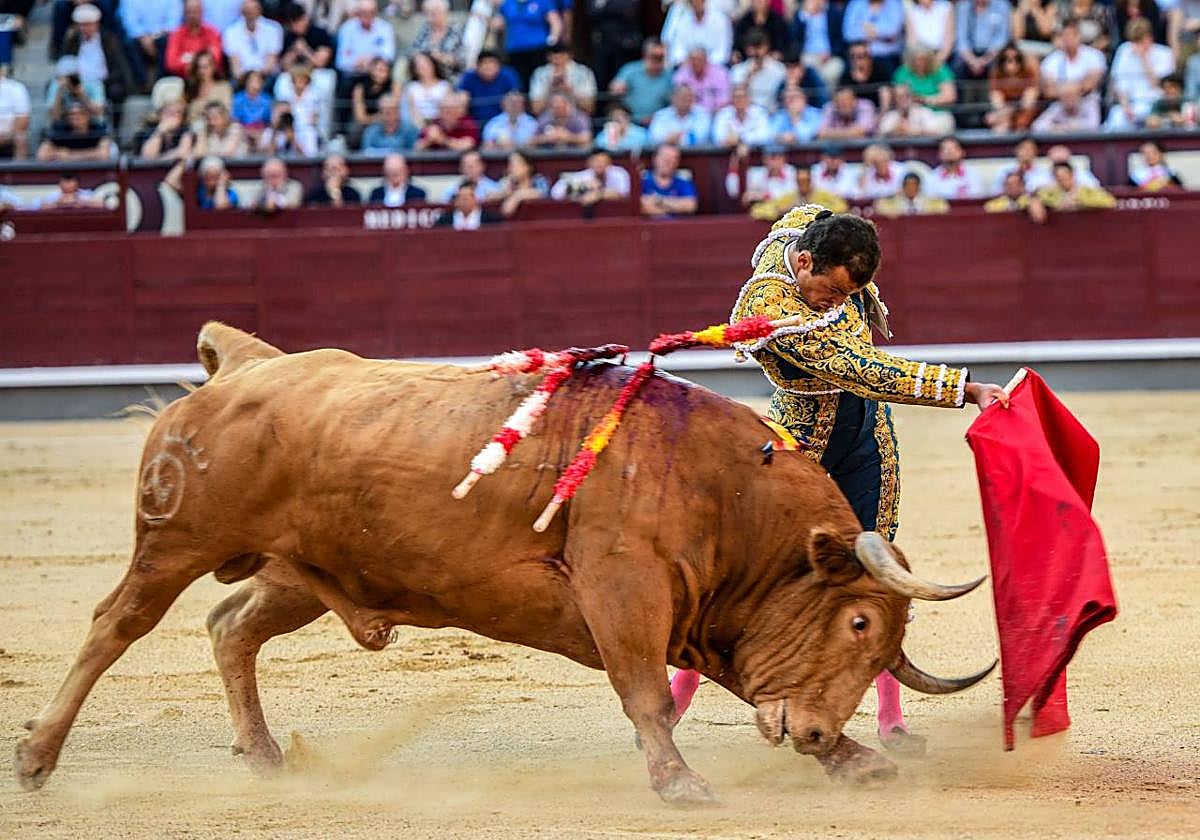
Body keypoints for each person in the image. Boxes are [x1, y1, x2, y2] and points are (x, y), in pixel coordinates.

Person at [669, 207, 1010, 755]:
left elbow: (812, 213)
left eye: (847, 294)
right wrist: (963, 388)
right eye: (828, 292)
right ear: (802, 263)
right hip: (801, 447)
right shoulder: (769, 306)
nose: (836, 303)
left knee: (875, 574)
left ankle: (891, 718)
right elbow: (860, 368)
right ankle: (676, 700)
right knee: (746, 575)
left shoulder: (812, 237)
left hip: (867, 437)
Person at [1104, 18, 1175, 131]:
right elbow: (1120, 83)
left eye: (1140, 40)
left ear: (1150, 37)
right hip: (1129, 104)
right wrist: (1125, 105)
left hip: (1154, 105)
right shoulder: (1124, 50)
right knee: (1116, 118)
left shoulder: (1165, 53)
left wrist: (1144, 58)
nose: (1136, 45)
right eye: (1134, 41)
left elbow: (1159, 85)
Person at [493, 0, 562, 87]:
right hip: (515, 49)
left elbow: (555, 22)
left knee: (538, 78)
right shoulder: (508, 3)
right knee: (519, 80)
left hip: (538, 48)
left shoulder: (543, 2)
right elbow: (498, 24)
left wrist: (552, 39)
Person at [609, 37, 673, 125]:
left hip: (659, 124)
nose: (658, 61)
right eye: (654, 57)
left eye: (661, 57)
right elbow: (614, 89)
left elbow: (673, 104)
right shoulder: (630, 70)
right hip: (631, 123)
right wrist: (617, 88)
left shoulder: (669, 76)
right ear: (645, 55)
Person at [749, 165, 849, 220]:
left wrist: (818, 210)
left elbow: (842, 207)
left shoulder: (823, 195)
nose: (803, 184)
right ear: (795, 181)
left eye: (806, 181)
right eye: (800, 181)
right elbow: (756, 211)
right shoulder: (788, 197)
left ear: (811, 180)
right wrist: (778, 211)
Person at [792, 0, 847, 92]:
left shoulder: (834, 12)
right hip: (808, 55)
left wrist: (831, 53)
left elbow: (840, 39)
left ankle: (827, 101)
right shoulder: (802, 14)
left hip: (830, 56)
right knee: (808, 69)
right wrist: (806, 14)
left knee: (835, 69)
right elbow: (794, 37)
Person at [985, 42, 1039, 133]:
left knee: (1021, 123)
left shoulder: (1028, 72)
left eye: (1016, 59)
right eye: (1006, 59)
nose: (1011, 62)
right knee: (999, 127)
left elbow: (1028, 102)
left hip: (1023, 112)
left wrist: (1009, 111)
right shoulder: (996, 74)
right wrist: (1004, 113)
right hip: (1004, 113)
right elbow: (997, 102)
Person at [222, 0, 283, 80]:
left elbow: (271, 61)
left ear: (260, 10)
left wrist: (257, 78)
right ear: (242, 12)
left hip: (266, 76)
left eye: (253, 10)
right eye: (247, 11)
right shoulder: (230, 31)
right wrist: (248, 80)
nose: (250, 14)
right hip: (242, 78)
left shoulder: (273, 29)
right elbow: (235, 66)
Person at [530, 42, 597, 115]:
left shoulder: (583, 72)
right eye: (554, 58)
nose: (557, 62)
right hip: (549, 116)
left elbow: (589, 108)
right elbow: (535, 109)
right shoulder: (540, 73)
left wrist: (569, 90)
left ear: (569, 56)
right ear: (548, 58)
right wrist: (550, 90)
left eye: (561, 57)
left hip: (576, 115)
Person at [729, 28, 788, 111]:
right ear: (747, 49)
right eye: (752, 48)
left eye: (759, 47)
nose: (755, 52)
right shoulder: (737, 70)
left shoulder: (779, 69)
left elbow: (783, 96)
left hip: (772, 113)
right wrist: (749, 76)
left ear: (767, 46)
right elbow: (736, 97)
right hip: (747, 113)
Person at [457, 49, 521, 125]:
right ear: (477, 66)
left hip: (503, 123)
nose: (489, 67)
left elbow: (516, 97)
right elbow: (461, 98)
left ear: (499, 66)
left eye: (492, 63)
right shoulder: (469, 77)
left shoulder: (508, 75)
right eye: (485, 63)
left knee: (514, 99)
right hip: (474, 122)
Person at [662, 0, 733, 67]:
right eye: (692, 1)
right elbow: (678, 48)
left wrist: (705, 64)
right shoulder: (683, 21)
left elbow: (722, 50)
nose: (695, 3)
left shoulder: (721, 20)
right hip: (688, 67)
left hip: (715, 67)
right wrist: (687, 62)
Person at [843, 0, 905, 76]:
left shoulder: (894, 4)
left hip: (887, 56)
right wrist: (880, 34)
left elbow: (893, 31)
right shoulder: (856, 4)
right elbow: (849, 33)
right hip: (860, 55)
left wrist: (867, 29)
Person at [335, 0, 396, 77]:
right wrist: (357, 62)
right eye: (364, 12)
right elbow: (341, 61)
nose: (367, 15)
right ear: (358, 12)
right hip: (351, 74)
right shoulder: (347, 28)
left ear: (376, 12)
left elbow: (389, 56)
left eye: (371, 12)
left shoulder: (385, 28)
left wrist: (371, 60)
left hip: (375, 76)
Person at [38, 100, 112, 161]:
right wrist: (92, 153)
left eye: (80, 113)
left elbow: (104, 154)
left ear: (88, 116)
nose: (76, 117)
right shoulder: (61, 130)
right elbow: (42, 155)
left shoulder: (97, 129)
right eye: (72, 114)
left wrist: (70, 156)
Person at [166, 0, 223, 78]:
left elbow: (216, 58)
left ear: (202, 12)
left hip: (209, 80)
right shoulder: (176, 34)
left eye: (195, 11)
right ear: (184, 13)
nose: (192, 15)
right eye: (189, 12)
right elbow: (171, 63)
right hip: (184, 79)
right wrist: (200, 59)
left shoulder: (212, 32)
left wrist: (188, 58)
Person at [640, 143, 698, 219]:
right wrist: (669, 212)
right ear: (655, 159)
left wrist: (658, 201)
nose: (669, 163)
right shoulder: (643, 182)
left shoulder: (683, 183)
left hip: (679, 228)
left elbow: (690, 205)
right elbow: (641, 206)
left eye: (673, 160)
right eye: (665, 159)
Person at [550, 149, 632, 203]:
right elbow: (555, 194)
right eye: (596, 161)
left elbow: (625, 193)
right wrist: (583, 187)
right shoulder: (583, 176)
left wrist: (598, 194)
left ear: (609, 163)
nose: (600, 164)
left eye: (603, 161)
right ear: (589, 163)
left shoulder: (619, 173)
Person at [727, 144, 796, 207]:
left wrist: (764, 196)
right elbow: (733, 191)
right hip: (761, 215)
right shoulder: (755, 174)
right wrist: (735, 162)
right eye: (772, 158)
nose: (775, 162)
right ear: (764, 159)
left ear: (784, 159)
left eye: (779, 158)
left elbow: (792, 196)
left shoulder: (791, 172)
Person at [410, 0, 465, 78]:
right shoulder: (425, 29)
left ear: (445, 12)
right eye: (427, 13)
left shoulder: (457, 30)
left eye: (434, 13)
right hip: (424, 75)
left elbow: (462, 60)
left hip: (448, 75)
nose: (430, 16)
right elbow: (415, 49)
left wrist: (442, 57)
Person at [671, 45, 731, 114]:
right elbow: (678, 98)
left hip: (715, 114)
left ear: (706, 60)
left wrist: (713, 112)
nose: (696, 63)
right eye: (693, 60)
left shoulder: (720, 74)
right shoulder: (681, 74)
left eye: (699, 60)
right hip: (689, 115)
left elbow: (725, 99)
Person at [878, 82, 953, 136]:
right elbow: (880, 134)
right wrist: (895, 131)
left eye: (906, 96)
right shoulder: (891, 116)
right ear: (895, 99)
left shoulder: (923, 112)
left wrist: (915, 132)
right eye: (899, 97)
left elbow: (935, 131)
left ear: (912, 97)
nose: (903, 99)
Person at [1036, 161, 1116, 211]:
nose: (1062, 180)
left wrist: (1081, 202)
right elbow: (1025, 200)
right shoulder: (1050, 193)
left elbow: (1111, 202)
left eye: (1064, 176)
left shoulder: (1087, 191)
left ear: (1072, 175)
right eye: (1058, 178)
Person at [491, 150, 549, 217]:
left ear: (527, 167)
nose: (510, 169)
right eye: (509, 165)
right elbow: (491, 197)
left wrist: (517, 196)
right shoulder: (506, 182)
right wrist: (503, 192)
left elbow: (543, 193)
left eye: (514, 165)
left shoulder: (539, 180)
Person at [404, 51, 452, 130]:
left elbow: (448, 112)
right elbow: (412, 111)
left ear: (433, 64)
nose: (423, 66)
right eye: (419, 65)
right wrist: (424, 129)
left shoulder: (445, 86)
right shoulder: (412, 87)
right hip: (418, 127)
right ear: (415, 69)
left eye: (426, 63)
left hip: (441, 127)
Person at [280, 3, 334, 72]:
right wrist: (294, 51)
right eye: (292, 25)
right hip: (295, 74)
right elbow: (284, 66)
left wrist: (305, 50)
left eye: (299, 21)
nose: (296, 27)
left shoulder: (320, 33)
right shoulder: (289, 36)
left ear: (305, 18)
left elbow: (320, 63)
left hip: (318, 74)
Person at [183, 48, 233, 124]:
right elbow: (188, 117)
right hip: (196, 128)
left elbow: (227, 112)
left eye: (205, 67)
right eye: (199, 67)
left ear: (213, 67)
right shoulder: (192, 88)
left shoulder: (224, 87)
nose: (202, 71)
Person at [874, 171, 951, 216]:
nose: (910, 188)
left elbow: (944, 207)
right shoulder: (895, 201)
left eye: (913, 185)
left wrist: (927, 212)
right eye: (907, 185)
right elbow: (878, 205)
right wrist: (894, 213)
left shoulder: (929, 201)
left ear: (919, 187)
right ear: (903, 187)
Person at [435, 180, 501, 228]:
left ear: (475, 199)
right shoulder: (445, 220)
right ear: (456, 201)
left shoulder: (490, 220)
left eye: (469, 197)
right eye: (461, 197)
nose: (465, 201)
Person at [906, 0, 954, 65]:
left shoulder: (945, 7)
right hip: (920, 55)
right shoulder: (912, 11)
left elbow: (949, 40)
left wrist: (938, 61)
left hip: (942, 54)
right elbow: (911, 41)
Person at [232, 68, 273, 141]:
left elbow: (269, 122)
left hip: (261, 132)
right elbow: (236, 120)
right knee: (235, 129)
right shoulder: (237, 99)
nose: (256, 83)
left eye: (258, 81)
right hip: (243, 132)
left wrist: (258, 131)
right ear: (246, 82)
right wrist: (247, 132)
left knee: (270, 133)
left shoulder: (267, 100)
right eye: (253, 81)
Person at [0, 64, 30, 159]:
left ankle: (20, 172)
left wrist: (7, 136)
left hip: (10, 135)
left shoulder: (16, 88)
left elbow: (23, 121)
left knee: (21, 138)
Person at [37, 170, 105, 208]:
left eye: (70, 181)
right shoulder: (54, 195)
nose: (68, 184)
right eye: (65, 181)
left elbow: (102, 204)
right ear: (59, 184)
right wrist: (58, 204)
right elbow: (39, 206)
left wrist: (82, 203)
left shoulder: (85, 194)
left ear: (77, 183)